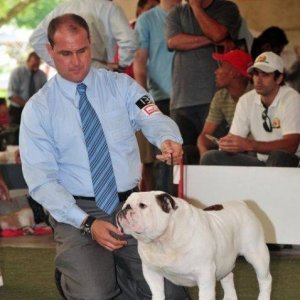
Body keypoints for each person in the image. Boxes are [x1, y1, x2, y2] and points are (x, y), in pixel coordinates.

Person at [19, 14, 188, 300]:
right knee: (95, 294)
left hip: (131, 204)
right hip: (76, 211)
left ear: (91, 44)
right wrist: (87, 223)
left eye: (82, 51)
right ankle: (78, 273)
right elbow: (42, 182)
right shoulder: (38, 109)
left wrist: (168, 138)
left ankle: (113, 273)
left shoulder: (121, 86)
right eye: (65, 53)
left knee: (171, 295)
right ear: (50, 51)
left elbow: (152, 117)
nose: (76, 61)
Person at [165, 0, 241, 164]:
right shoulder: (176, 12)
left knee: (215, 156)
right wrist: (211, 40)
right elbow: (173, 41)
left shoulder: (226, 8)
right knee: (181, 159)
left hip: (213, 98)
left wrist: (196, 7)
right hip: (181, 100)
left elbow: (218, 33)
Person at [200, 51, 300, 167]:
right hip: (262, 163)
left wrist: (250, 145)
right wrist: (229, 144)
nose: (258, 79)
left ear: (278, 79)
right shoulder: (246, 100)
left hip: (292, 164)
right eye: (256, 74)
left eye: (265, 74)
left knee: (278, 156)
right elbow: (235, 138)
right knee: (211, 158)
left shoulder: (292, 98)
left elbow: (291, 146)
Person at [134, 0, 181, 193]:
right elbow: (139, 62)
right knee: (162, 160)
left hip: (190, 97)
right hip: (159, 98)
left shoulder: (192, 13)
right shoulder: (146, 19)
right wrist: (142, 102)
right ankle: (163, 211)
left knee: (184, 159)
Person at [29, 0, 137, 71]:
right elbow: (129, 40)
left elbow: (36, 39)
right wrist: (122, 65)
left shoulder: (61, 9)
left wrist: (60, 63)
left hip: (70, 72)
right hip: (100, 69)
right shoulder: (109, 7)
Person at [197, 49, 253, 157]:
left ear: (234, 73)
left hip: (254, 150)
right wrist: (203, 150)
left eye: (221, 66)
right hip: (235, 148)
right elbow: (205, 135)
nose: (216, 71)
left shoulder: (256, 95)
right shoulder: (220, 97)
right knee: (187, 152)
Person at [7, 51, 47, 126]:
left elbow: (45, 93)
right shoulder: (17, 72)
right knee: (16, 134)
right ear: (27, 61)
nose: (36, 67)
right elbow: (11, 95)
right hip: (17, 110)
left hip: (35, 111)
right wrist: (27, 105)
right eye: (34, 64)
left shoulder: (41, 75)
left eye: (38, 65)